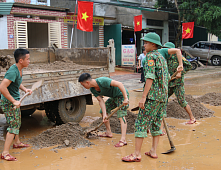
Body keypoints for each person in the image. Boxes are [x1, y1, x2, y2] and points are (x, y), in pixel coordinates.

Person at [122, 32, 169, 162]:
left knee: (140, 123)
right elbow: (167, 78)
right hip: (162, 97)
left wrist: (143, 97)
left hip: (152, 97)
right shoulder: (162, 57)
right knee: (156, 123)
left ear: (153, 44)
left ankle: (137, 154)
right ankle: (153, 151)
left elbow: (149, 77)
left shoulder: (150, 57)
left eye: (146, 42)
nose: (144, 45)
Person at [0, 49, 32, 161]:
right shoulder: (13, 71)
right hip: (8, 103)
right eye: (28, 59)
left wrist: (24, 89)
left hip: (14, 101)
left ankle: (17, 143)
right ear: (21, 60)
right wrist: (13, 101)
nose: (29, 61)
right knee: (13, 126)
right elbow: (2, 87)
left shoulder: (19, 70)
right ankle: (5, 153)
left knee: (17, 122)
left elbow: (17, 82)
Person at [78, 73, 129, 147]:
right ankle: (109, 132)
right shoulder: (93, 89)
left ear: (87, 82)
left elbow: (119, 84)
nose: (83, 87)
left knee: (121, 116)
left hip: (121, 95)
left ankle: (123, 140)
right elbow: (101, 101)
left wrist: (125, 98)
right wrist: (105, 114)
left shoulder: (102, 81)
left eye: (83, 85)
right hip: (114, 97)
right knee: (102, 111)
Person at [162, 42, 196, 124]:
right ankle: (161, 124)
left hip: (178, 83)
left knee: (181, 101)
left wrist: (180, 73)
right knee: (163, 100)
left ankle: (192, 118)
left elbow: (189, 66)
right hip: (169, 83)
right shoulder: (164, 57)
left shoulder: (178, 56)